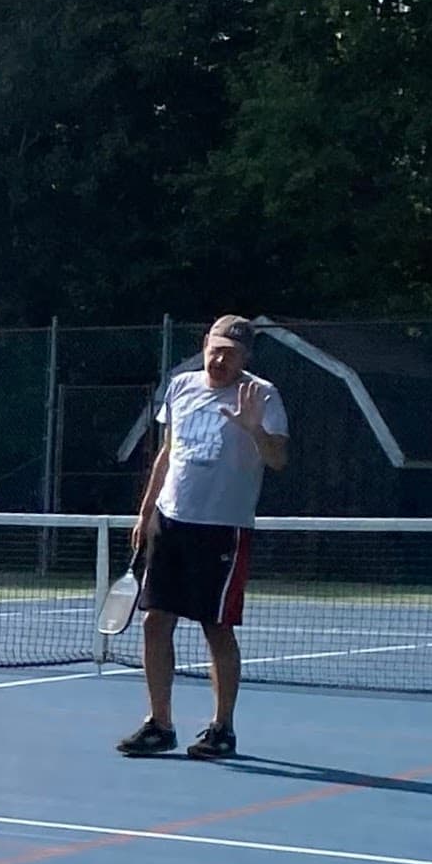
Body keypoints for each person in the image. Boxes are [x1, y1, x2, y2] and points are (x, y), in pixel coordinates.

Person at [119, 314, 289, 762]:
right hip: (172, 523)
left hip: (223, 530)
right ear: (205, 344)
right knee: (155, 621)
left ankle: (222, 728)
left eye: (230, 354)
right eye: (214, 349)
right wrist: (147, 511)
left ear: (245, 357)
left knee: (217, 628)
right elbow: (168, 453)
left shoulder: (262, 395)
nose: (219, 359)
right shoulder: (180, 386)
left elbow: (278, 461)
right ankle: (160, 724)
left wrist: (254, 429)